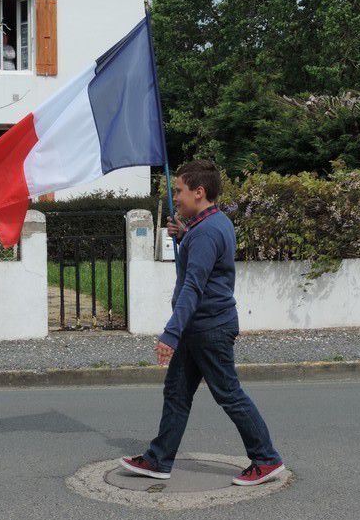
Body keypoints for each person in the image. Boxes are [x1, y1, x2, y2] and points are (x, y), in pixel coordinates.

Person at [119, 160, 285, 486]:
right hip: (201, 328)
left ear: (199, 191)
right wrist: (184, 236)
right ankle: (158, 459)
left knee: (229, 394)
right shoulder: (211, 223)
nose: (174, 197)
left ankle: (266, 459)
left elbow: (194, 287)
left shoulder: (206, 232)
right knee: (177, 393)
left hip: (208, 329)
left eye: (179, 191)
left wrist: (170, 333)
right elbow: (206, 266)